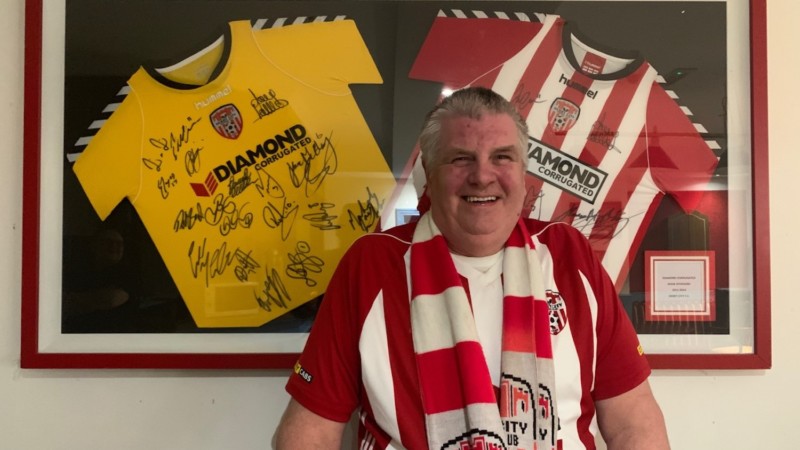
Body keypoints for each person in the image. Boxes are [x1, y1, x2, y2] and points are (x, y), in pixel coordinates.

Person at [275, 87, 669, 449]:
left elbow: (633, 421)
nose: (482, 176)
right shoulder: (371, 266)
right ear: (429, 172)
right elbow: (309, 432)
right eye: (461, 158)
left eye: (502, 157)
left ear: (523, 172)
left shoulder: (569, 255)